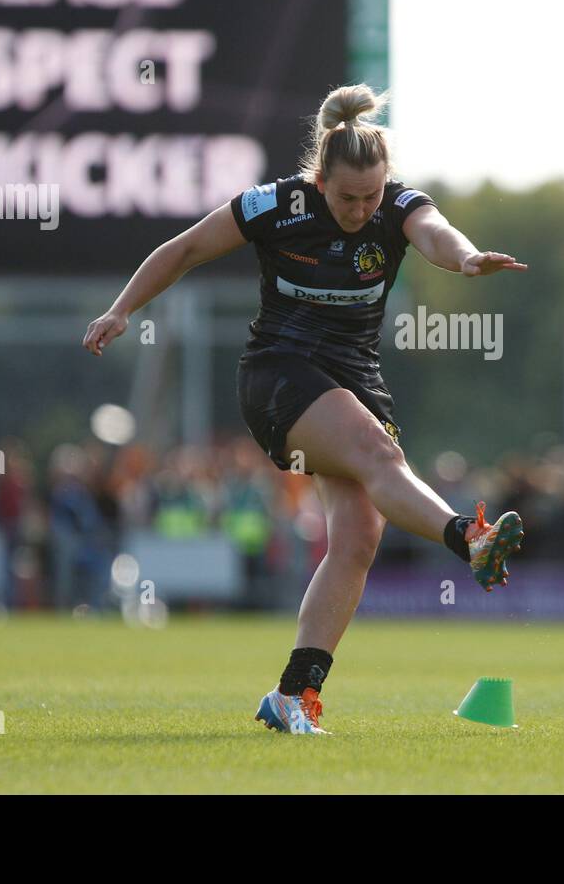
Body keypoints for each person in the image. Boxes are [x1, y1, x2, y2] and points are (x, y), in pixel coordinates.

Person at [83, 84, 527, 734]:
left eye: (371, 196)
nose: (360, 208)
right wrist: (122, 308)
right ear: (319, 180)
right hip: (278, 374)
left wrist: (463, 258)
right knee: (379, 455)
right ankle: (470, 538)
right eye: (347, 197)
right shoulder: (274, 205)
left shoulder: (397, 205)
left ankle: (295, 696)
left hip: (355, 380)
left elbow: (434, 232)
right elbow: (182, 250)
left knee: (357, 537)